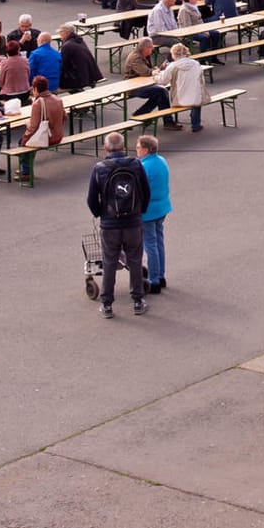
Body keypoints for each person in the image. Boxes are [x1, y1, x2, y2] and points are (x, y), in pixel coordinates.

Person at [86, 132, 150, 319]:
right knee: (135, 261)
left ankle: (107, 304)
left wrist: (101, 214)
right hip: (133, 222)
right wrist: (140, 211)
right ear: (124, 147)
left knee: (109, 263)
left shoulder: (99, 168)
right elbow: (145, 191)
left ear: (105, 148)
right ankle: (138, 301)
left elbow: (91, 198)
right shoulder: (136, 165)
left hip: (110, 224)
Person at [135, 135, 172, 294]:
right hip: (162, 207)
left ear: (145, 149)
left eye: (138, 147)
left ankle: (154, 279)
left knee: (150, 244)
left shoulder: (143, 167)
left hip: (149, 210)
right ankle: (161, 275)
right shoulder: (161, 161)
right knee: (158, 241)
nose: (136, 149)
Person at [19, 76, 65, 182]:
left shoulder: (38, 103)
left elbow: (33, 127)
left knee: (23, 142)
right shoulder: (57, 99)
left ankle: (26, 172)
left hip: (47, 138)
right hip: (58, 136)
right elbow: (64, 117)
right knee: (29, 141)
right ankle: (26, 169)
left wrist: (24, 139)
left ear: (35, 89)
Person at [156, 43, 210, 132]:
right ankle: (196, 124)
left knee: (184, 92)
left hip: (179, 99)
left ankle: (171, 121)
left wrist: (155, 75)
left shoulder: (173, 66)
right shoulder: (196, 63)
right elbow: (201, 79)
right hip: (195, 97)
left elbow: (163, 81)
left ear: (173, 54)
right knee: (196, 93)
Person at [124, 38, 178, 127]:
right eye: (151, 47)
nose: (152, 49)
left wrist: (158, 69)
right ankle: (167, 121)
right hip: (133, 87)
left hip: (143, 83)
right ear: (145, 48)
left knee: (160, 93)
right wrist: (156, 70)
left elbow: (149, 71)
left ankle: (140, 114)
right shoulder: (135, 58)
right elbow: (146, 72)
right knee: (161, 91)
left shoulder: (142, 54)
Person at [57, 24, 104, 93]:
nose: (60, 35)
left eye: (61, 32)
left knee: (58, 82)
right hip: (90, 74)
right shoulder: (79, 41)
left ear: (66, 33)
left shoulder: (67, 46)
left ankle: (80, 96)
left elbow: (63, 65)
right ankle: (81, 94)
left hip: (79, 78)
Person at [0, 40, 32, 105]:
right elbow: (29, 76)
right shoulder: (26, 61)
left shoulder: (4, 63)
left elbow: (0, 81)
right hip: (25, 93)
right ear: (18, 50)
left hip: (9, 95)